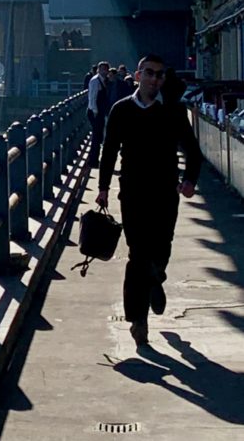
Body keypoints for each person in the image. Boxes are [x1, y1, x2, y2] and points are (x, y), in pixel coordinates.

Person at [96, 53, 202, 347]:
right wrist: (103, 187)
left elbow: (193, 151)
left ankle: (157, 277)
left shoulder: (173, 112)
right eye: (150, 73)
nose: (155, 79)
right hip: (132, 192)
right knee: (137, 254)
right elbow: (109, 151)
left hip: (166, 193)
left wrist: (190, 180)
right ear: (138, 75)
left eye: (160, 75)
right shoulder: (121, 111)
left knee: (161, 250)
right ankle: (137, 320)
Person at [87, 61, 110, 167]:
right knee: (96, 137)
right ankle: (93, 160)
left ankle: (94, 159)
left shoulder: (103, 80)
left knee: (98, 136)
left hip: (99, 112)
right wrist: (95, 112)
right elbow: (92, 97)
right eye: (102, 69)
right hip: (95, 112)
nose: (104, 71)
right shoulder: (95, 81)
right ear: (99, 70)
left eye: (106, 69)